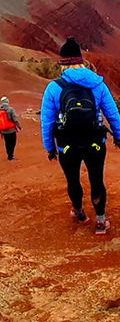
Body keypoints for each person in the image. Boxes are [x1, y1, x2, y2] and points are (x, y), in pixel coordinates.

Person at [41, 37, 120, 234]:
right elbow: (113, 115)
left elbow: (47, 122)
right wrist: (118, 137)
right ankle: (100, 221)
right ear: (81, 60)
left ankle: (80, 214)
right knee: (97, 179)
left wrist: (50, 147)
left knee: (73, 180)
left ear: (62, 63)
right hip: (95, 142)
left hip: (67, 145)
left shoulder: (54, 88)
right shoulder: (98, 84)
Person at [0, 96, 22, 160]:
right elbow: (15, 119)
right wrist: (19, 126)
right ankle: (11, 155)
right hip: (11, 130)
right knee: (13, 143)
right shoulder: (10, 109)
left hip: (3, 131)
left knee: (7, 143)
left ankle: (9, 154)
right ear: (7, 101)